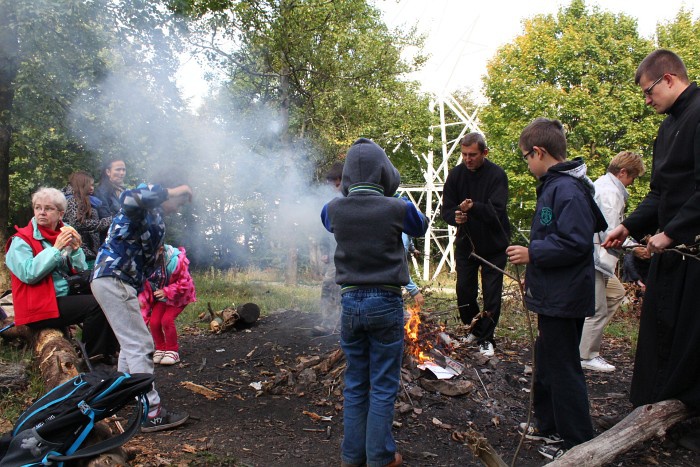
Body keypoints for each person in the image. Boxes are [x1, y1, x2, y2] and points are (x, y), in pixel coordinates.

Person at [602, 50, 700, 416]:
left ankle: (689, 419)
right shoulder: (666, 127)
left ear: (669, 79)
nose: (646, 100)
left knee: (691, 341)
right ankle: (656, 407)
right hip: (670, 252)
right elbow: (659, 193)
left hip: (693, 253)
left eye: (648, 91)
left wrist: (671, 233)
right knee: (662, 331)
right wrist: (629, 226)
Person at [321, 138, 428, 467]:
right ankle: (380, 457)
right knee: (382, 384)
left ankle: (352, 456)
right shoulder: (398, 206)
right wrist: (392, 196)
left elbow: (328, 221)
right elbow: (421, 226)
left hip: (350, 303)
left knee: (355, 382)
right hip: (385, 301)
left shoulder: (334, 208)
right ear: (385, 172)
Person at [506, 118, 606, 460]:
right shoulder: (554, 186)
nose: (526, 164)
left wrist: (533, 253)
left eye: (525, 157)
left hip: (565, 297)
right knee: (547, 361)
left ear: (538, 152)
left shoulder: (567, 189)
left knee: (563, 367)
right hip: (552, 294)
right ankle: (547, 426)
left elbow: (577, 243)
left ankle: (577, 441)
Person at [91, 180, 193, 433]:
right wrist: (174, 189)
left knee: (130, 345)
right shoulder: (140, 206)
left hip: (120, 282)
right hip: (113, 279)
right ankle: (151, 412)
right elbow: (129, 197)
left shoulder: (156, 219)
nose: (177, 207)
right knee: (141, 345)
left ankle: (124, 395)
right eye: (178, 202)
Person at [5, 188, 117, 360]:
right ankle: (95, 357)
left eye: (48, 208)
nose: (41, 212)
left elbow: (79, 269)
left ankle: (112, 351)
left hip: (61, 295)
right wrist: (56, 249)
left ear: (60, 213)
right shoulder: (21, 240)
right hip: (38, 306)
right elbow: (28, 274)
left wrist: (76, 250)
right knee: (95, 305)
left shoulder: (64, 230)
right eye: (37, 207)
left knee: (107, 294)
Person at [441, 132, 510, 357]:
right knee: (464, 290)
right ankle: (473, 328)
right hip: (466, 244)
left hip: (493, 245)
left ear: (484, 153)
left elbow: (497, 211)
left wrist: (473, 207)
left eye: (472, 155)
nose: (468, 159)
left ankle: (486, 338)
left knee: (492, 293)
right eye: (464, 154)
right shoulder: (456, 175)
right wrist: (456, 216)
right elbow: (447, 209)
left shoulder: (497, 175)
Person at [580, 151, 645, 372]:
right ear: (624, 172)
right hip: (596, 257)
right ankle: (586, 355)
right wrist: (636, 249)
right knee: (596, 309)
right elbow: (611, 231)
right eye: (633, 177)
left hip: (599, 258)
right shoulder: (610, 193)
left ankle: (583, 343)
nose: (632, 183)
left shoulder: (605, 186)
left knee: (616, 293)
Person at [138, 244, 197, 366]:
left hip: (180, 296)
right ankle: (160, 348)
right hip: (161, 297)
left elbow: (185, 282)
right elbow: (145, 287)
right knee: (154, 322)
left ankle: (172, 350)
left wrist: (167, 291)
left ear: (160, 249)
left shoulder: (176, 260)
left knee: (166, 320)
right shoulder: (146, 262)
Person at [314, 162, 344, 335]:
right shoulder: (333, 203)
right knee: (329, 286)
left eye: (335, 183)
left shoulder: (350, 199)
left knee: (339, 289)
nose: (333, 187)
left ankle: (335, 324)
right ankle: (329, 322)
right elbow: (324, 230)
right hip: (335, 256)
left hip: (348, 256)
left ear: (340, 180)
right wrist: (324, 250)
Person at [62, 171, 113, 267]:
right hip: (82, 253)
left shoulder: (85, 199)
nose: (92, 188)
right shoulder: (73, 200)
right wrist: (107, 221)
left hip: (88, 252)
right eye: (90, 185)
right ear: (81, 185)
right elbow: (78, 223)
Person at [402, 233, 424, 307]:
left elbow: (408, 236)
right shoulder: (402, 242)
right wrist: (414, 291)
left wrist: (413, 249)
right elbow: (399, 269)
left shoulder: (406, 229)